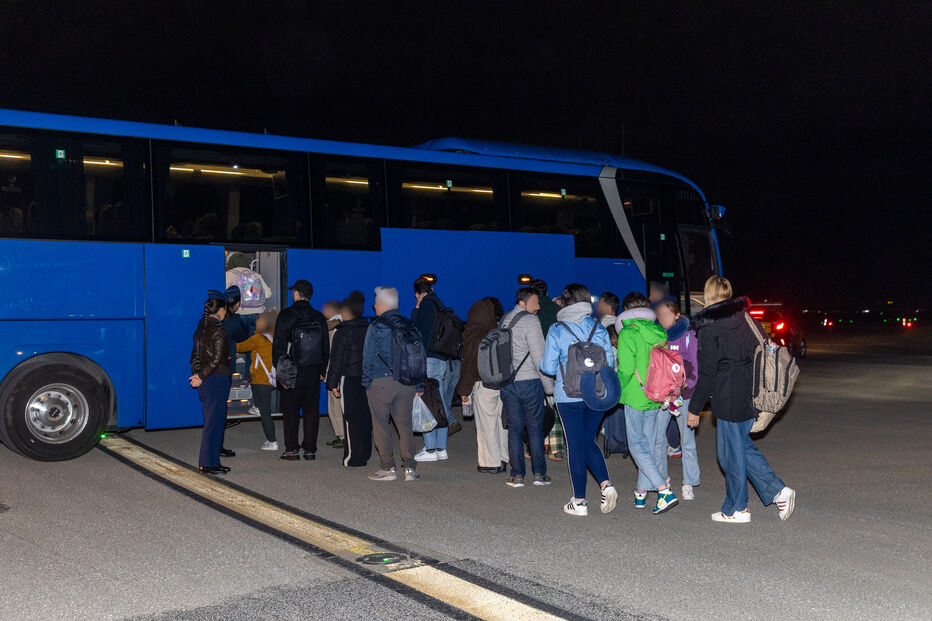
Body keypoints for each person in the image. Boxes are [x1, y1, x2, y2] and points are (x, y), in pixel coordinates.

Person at [688, 276, 796, 523]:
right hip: (751, 391)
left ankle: (738, 508)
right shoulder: (747, 319)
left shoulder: (709, 327)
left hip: (729, 395)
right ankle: (778, 491)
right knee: (737, 451)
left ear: (708, 295)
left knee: (732, 455)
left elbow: (707, 373)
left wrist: (694, 408)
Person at [541, 284, 618, 517]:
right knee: (588, 441)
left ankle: (580, 501)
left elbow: (547, 366)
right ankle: (606, 485)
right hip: (595, 394)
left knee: (575, 446)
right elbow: (610, 365)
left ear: (564, 301)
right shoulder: (599, 328)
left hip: (568, 395)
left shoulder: (557, 329)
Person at [616, 291, 678, 514]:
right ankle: (641, 493)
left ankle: (663, 490)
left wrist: (616, 389)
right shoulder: (659, 331)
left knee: (637, 445)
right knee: (649, 445)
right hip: (656, 394)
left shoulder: (627, 333)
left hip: (635, 394)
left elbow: (624, 369)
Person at [363, 286, 422, 482]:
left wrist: (366, 384)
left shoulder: (376, 326)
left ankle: (388, 467)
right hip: (406, 383)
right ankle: (410, 469)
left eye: (376, 302)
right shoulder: (409, 324)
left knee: (381, 425)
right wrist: (419, 385)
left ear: (382, 304)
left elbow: (368, 358)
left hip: (381, 382)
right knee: (405, 426)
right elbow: (420, 356)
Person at [500, 287, 555, 488]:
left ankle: (516, 475)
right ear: (523, 303)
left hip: (508, 383)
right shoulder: (531, 321)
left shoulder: (505, 319)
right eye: (535, 303)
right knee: (535, 427)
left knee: (514, 428)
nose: (538, 307)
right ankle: (539, 474)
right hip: (529, 382)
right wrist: (549, 387)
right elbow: (539, 356)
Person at [272, 279, 329, 461]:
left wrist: (278, 367)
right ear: (309, 295)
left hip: (291, 370)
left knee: (290, 411)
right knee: (311, 411)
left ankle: (292, 449)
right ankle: (310, 449)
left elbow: (278, 345)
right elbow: (325, 346)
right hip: (312, 370)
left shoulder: (286, 315)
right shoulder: (318, 317)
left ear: (296, 293)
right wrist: (322, 369)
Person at [456, 297, 508, 474]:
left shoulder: (474, 335)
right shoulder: (498, 333)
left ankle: (489, 462)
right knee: (501, 423)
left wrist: (464, 390)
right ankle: (503, 458)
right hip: (501, 384)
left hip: (482, 385)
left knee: (486, 425)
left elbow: (470, 365)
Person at [655, 298, 700, 500]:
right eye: (659, 315)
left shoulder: (688, 335)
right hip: (663, 396)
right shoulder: (657, 336)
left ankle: (689, 482)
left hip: (685, 396)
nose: (662, 319)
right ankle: (661, 480)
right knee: (657, 438)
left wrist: (686, 386)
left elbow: (697, 369)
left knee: (687, 440)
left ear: (677, 316)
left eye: (666, 315)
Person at [326, 291, 373, 467]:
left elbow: (336, 360)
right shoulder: (369, 328)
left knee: (350, 418)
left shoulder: (343, 332)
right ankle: (365, 453)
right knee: (365, 417)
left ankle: (352, 457)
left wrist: (332, 383)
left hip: (349, 378)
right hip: (367, 378)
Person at [411, 277, 455, 462]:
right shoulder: (439, 304)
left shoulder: (426, 306)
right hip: (442, 359)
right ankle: (441, 448)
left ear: (417, 293)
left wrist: (416, 307)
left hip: (429, 358)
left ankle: (430, 449)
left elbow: (417, 329)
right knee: (441, 402)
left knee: (428, 402)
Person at [189, 291, 232, 475]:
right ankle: (208, 463)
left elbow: (194, 357)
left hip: (206, 381)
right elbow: (217, 359)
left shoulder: (200, 329)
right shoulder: (219, 330)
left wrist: (197, 374)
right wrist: (202, 376)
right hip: (217, 379)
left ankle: (213, 461)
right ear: (221, 310)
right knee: (215, 422)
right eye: (225, 310)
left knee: (212, 421)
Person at [530, 279, 564, 460]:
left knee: (536, 406)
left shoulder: (531, 311)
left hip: (534, 364)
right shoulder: (556, 310)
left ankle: (534, 446)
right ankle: (556, 449)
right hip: (555, 364)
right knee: (554, 403)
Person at [236, 310, 279, 451]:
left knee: (265, 413)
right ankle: (257, 407)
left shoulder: (258, 338)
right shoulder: (277, 336)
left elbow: (241, 347)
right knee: (263, 406)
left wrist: (229, 341)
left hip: (262, 380)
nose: (256, 321)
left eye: (259, 319)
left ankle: (272, 441)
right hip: (275, 377)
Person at [220, 285, 250, 458]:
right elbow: (243, 337)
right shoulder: (234, 321)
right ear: (237, 303)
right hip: (225, 368)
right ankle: (219, 446)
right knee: (221, 408)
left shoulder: (216, 318)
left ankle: (218, 445)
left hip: (216, 368)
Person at [322, 300, 346, 449]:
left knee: (337, 406)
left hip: (335, 374)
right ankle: (340, 435)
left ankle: (343, 436)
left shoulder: (337, 327)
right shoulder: (332, 325)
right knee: (333, 406)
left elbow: (333, 355)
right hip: (332, 373)